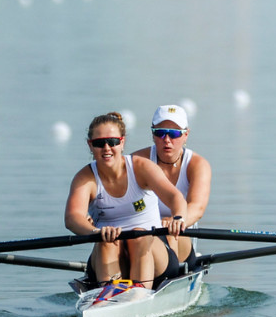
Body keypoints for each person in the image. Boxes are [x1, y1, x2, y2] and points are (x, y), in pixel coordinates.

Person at [65, 112, 188, 293]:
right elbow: (72, 218)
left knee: (138, 235)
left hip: (153, 254)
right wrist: (95, 232)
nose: (107, 148)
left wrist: (178, 217)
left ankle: (138, 293)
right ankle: (110, 295)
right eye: (99, 143)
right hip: (108, 250)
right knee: (106, 241)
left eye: (113, 142)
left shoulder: (140, 167)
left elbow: (175, 197)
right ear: (90, 145)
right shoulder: (85, 178)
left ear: (122, 142)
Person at [132, 105, 211, 265]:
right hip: (141, 234)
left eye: (174, 133)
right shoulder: (137, 161)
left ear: (186, 135)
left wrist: (177, 220)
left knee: (169, 233)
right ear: (153, 133)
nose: (167, 140)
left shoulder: (197, 165)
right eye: (160, 133)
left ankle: (165, 277)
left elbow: (197, 208)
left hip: (179, 235)